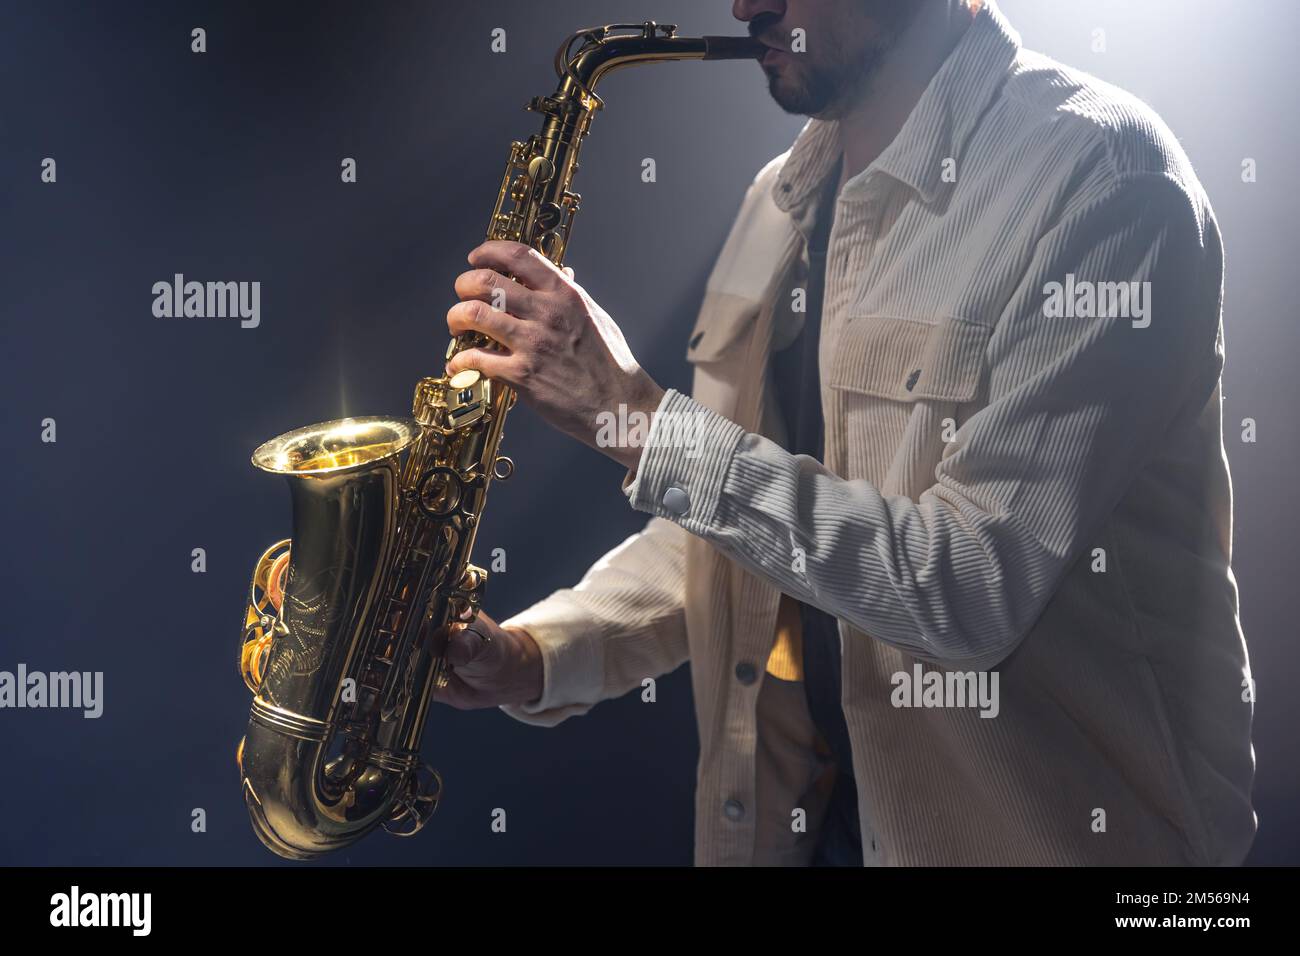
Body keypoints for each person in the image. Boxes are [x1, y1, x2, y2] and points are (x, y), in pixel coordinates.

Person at [431, 0, 1256, 866]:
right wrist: (537, 656)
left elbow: (972, 590)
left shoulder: (1106, 182)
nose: (748, 5)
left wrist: (637, 419)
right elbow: (733, 527)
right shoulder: (774, 202)